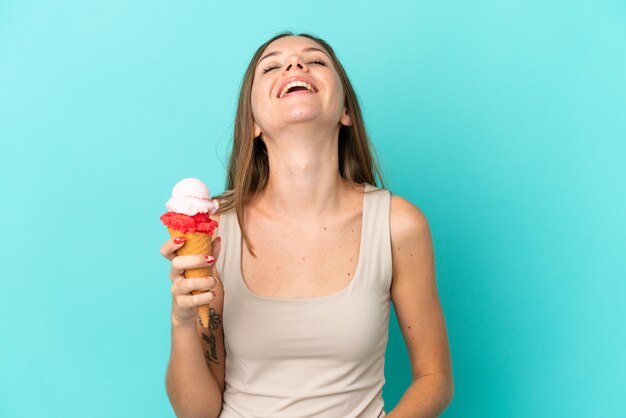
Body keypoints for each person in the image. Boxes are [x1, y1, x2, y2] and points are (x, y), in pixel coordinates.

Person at [160, 31, 454, 418]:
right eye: (271, 65)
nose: (295, 66)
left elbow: (435, 378)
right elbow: (196, 413)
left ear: (346, 112)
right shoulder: (216, 229)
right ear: (252, 125)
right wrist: (182, 320)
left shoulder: (398, 225)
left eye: (315, 60)